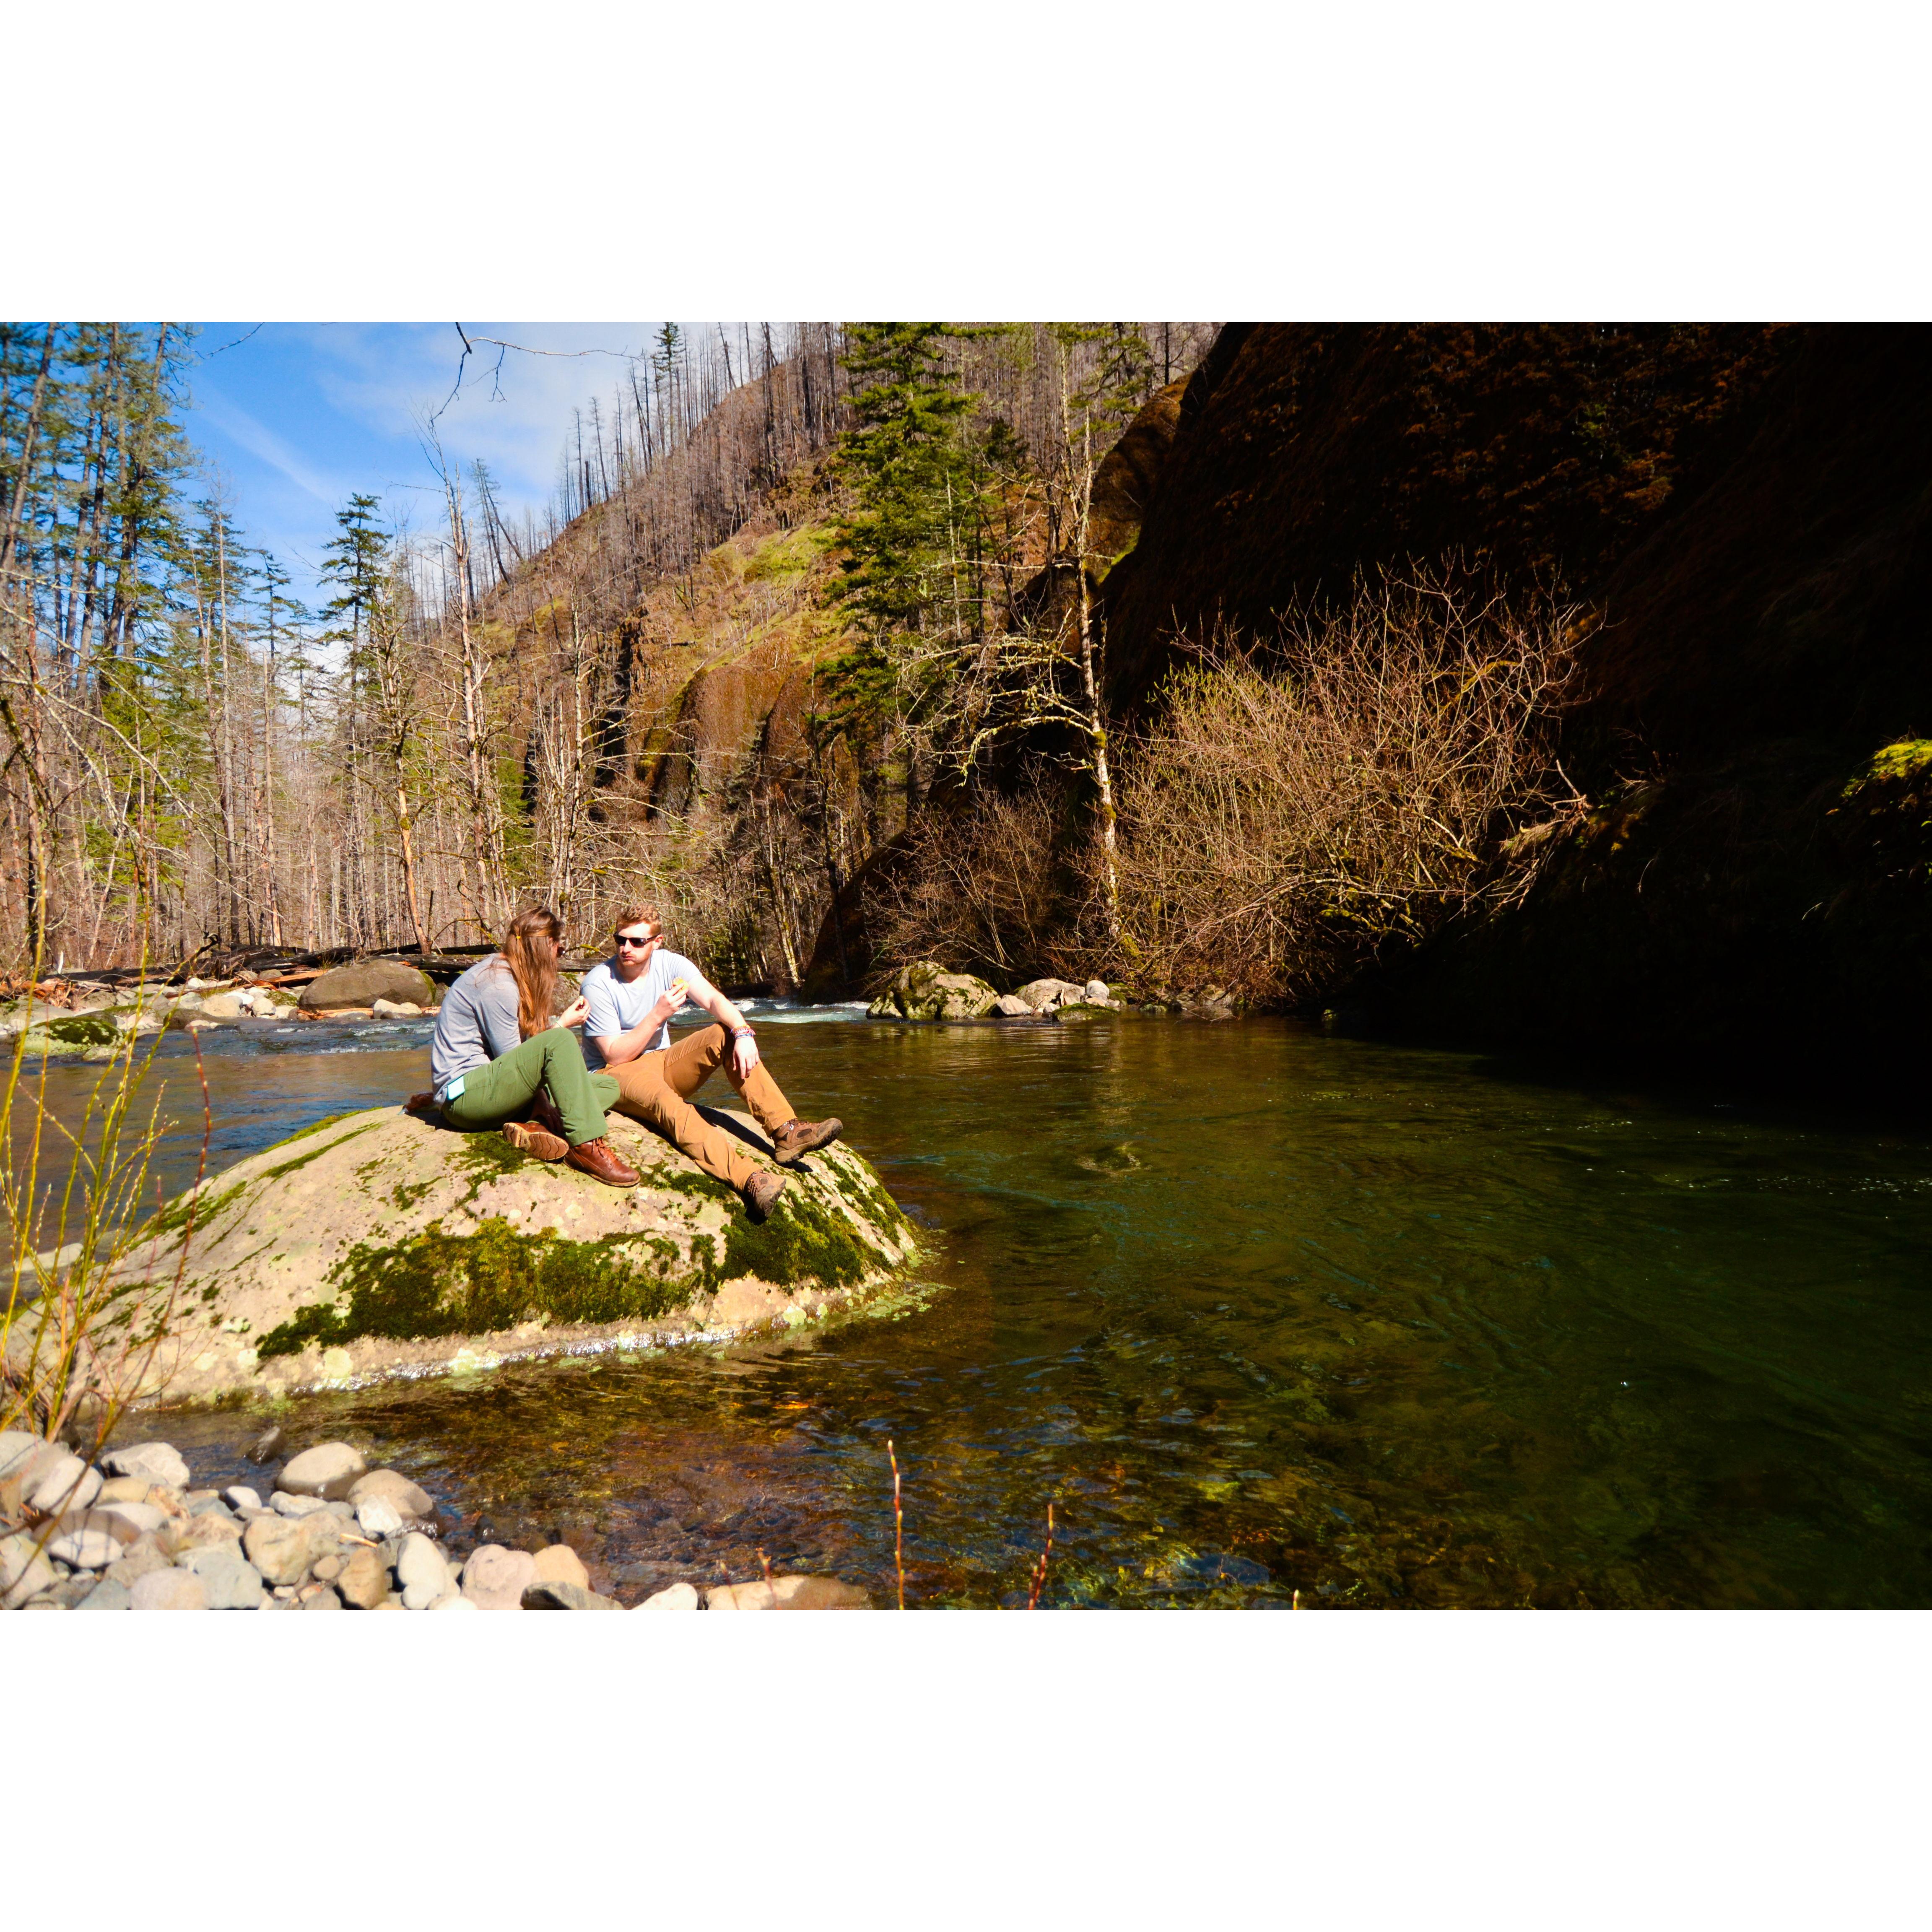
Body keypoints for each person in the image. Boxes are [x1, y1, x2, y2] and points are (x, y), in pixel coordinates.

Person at [580, 904, 842, 1218]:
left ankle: (786, 1132)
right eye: (620, 940)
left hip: (660, 1061)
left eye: (637, 942)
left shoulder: (671, 964)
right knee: (671, 1105)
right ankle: (750, 1179)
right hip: (614, 1074)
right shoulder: (599, 982)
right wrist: (658, 1015)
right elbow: (615, 1054)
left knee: (726, 1033)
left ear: (657, 942)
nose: (626, 948)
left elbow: (715, 1000)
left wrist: (743, 1033)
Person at [415, 905, 641, 1187]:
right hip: (464, 1097)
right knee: (559, 1041)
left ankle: (535, 1127)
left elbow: (523, 1060)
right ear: (546, 946)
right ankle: (584, 1147)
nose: (559, 957)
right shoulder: (497, 984)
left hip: (495, 1089)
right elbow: (515, 1058)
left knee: (608, 1086)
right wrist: (561, 1027)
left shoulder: (514, 978)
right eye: (560, 950)